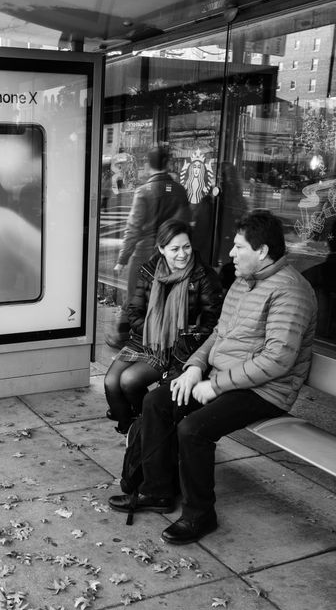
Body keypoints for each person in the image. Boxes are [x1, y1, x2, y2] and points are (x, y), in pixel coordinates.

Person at [108, 210, 317, 544]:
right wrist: (193, 367)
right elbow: (218, 333)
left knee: (194, 429)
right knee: (157, 400)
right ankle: (157, 491)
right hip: (226, 378)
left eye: (238, 247)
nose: (231, 254)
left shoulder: (290, 291)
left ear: (262, 252)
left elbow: (277, 360)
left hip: (266, 391)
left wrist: (215, 384)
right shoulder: (243, 282)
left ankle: (199, 514)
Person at [104, 219, 223, 435]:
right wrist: (152, 329)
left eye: (186, 247)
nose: (182, 254)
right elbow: (134, 309)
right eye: (174, 249)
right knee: (111, 382)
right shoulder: (150, 270)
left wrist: (177, 335)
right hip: (147, 337)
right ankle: (132, 429)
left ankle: (145, 429)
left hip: (178, 346)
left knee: (129, 381)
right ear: (161, 249)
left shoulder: (203, 276)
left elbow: (211, 323)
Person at [108, 145, 191, 347]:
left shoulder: (144, 191)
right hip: (170, 254)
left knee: (136, 296)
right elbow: (185, 223)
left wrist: (122, 260)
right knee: (164, 296)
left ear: (148, 165)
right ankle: (159, 338)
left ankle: (126, 336)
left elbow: (133, 228)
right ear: (168, 164)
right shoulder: (179, 191)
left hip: (144, 253)